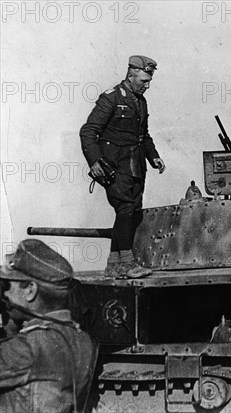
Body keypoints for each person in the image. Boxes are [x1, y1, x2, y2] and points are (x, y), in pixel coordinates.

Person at [80, 55, 166, 279]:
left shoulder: (140, 101)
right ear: (131, 74)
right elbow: (88, 131)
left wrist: (153, 156)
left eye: (149, 82)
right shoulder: (111, 98)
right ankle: (127, 264)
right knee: (125, 209)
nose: (146, 86)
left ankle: (114, 264)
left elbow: (142, 135)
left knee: (132, 211)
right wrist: (95, 161)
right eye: (143, 81)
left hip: (136, 166)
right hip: (115, 166)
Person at [0, 239, 98, 413]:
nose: (5, 293)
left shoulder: (29, 346)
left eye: (8, 285)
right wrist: (10, 327)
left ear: (30, 290)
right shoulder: (83, 340)